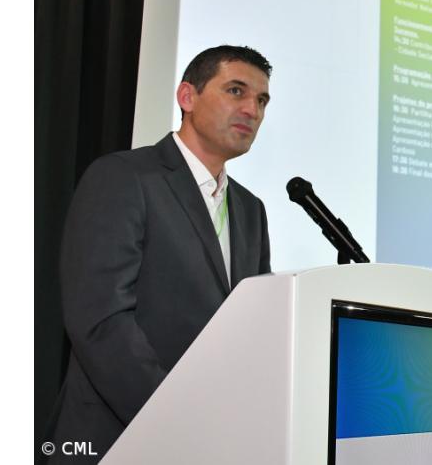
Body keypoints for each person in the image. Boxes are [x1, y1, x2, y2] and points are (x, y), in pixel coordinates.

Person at [46, 45, 273, 463]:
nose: (252, 110)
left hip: (211, 439)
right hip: (115, 437)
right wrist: (173, 419)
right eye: (236, 91)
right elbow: (100, 319)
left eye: (262, 100)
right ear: (187, 97)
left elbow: (249, 329)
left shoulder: (250, 209)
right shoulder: (123, 177)